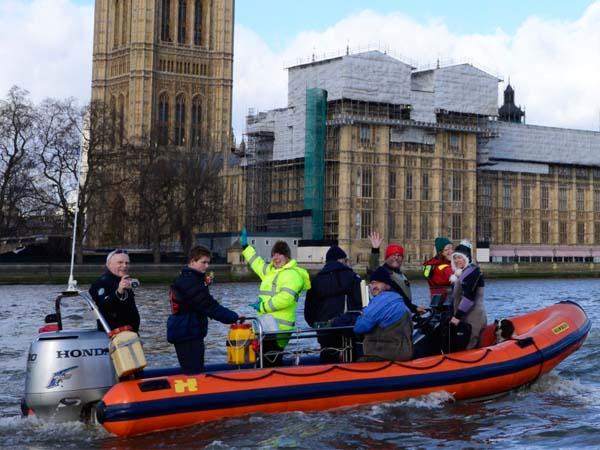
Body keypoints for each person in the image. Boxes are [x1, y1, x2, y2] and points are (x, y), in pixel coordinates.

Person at [240, 229, 311, 367]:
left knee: (271, 360)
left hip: (279, 328)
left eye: (280, 254)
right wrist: (245, 247)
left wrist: (262, 306)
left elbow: (285, 298)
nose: (276, 258)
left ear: (287, 257)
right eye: (273, 255)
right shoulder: (271, 271)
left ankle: (272, 384)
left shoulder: (292, 275)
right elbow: (257, 263)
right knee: (266, 359)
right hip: (267, 325)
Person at [167, 245, 240, 374]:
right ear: (192, 261)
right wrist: (234, 317)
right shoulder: (190, 281)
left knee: (194, 368)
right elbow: (208, 305)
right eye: (203, 262)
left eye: (208, 263)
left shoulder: (191, 279)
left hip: (189, 330)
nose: (206, 266)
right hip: (187, 332)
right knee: (193, 371)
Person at [304, 245, 363, 363]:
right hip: (347, 327)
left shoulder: (316, 280)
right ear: (340, 260)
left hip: (324, 329)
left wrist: (317, 325)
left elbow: (309, 310)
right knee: (350, 358)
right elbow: (360, 304)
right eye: (345, 260)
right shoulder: (353, 277)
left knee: (327, 358)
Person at [354, 266, 413, 361]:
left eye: (379, 282)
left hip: (383, 355)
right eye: (372, 283)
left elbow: (359, 327)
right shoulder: (399, 300)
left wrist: (361, 316)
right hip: (403, 353)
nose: (374, 286)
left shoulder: (381, 301)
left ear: (388, 285)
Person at [367, 231, 426, 315]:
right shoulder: (383, 273)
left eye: (399, 256)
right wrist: (375, 251)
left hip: (403, 313)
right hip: (390, 314)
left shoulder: (402, 275)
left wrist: (414, 308)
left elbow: (402, 296)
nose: (396, 258)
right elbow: (372, 270)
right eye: (393, 255)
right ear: (386, 258)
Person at [89, 249, 140, 333]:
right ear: (108, 264)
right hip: (113, 337)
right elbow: (104, 306)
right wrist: (119, 292)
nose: (124, 266)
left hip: (129, 335)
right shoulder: (101, 283)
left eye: (127, 263)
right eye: (120, 262)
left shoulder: (123, 280)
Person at [449, 240, 487, 350]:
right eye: (455, 258)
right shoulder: (463, 273)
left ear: (466, 258)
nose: (457, 260)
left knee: (470, 348)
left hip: (473, 318)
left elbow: (469, 297)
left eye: (460, 258)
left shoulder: (472, 272)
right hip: (465, 318)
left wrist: (457, 317)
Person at [422, 237, 454, 302]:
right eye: (447, 249)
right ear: (440, 252)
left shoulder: (433, 264)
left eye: (451, 248)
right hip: (445, 303)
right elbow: (454, 280)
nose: (451, 251)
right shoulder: (440, 267)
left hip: (439, 301)